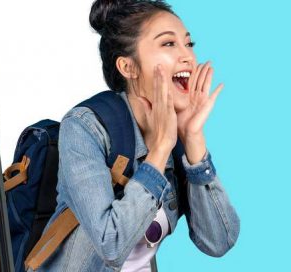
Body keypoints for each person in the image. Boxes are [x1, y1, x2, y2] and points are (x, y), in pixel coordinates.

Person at [32, 0, 240, 271]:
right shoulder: (86, 127)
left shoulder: (178, 133)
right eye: (168, 44)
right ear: (128, 67)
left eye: (189, 44)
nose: (187, 56)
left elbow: (219, 242)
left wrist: (193, 137)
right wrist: (161, 148)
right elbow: (112, 244)